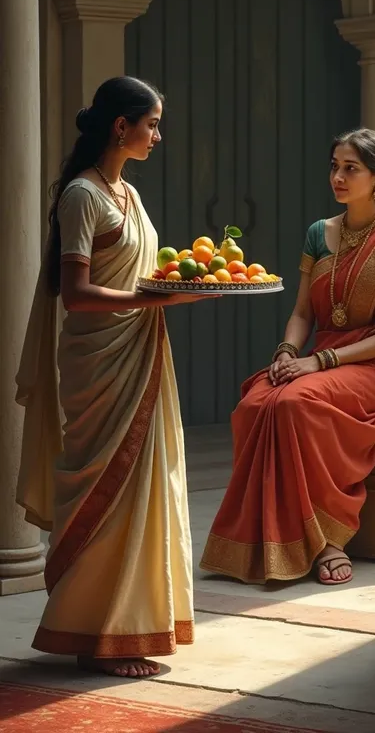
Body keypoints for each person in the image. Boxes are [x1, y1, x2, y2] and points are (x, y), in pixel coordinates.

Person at [16, 76, 220, 677]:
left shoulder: (126, 192)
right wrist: (158, 302)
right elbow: (76, 295)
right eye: (151, 124)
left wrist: (183, 283)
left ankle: (132, 626)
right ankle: (90, 631)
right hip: (98, 361)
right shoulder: (84, 196)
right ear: (120, 127)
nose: (158, 135)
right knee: (104, 488)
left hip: (140, 352)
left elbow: (140, 270)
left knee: (146, 485)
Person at [200, 128, 375, 586]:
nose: (338, 176)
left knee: (296, 403)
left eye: (350, 168)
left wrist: (320, 363)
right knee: (256, 402)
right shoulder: (320, 233)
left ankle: (327, 539)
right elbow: (301, 312)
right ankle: (262, 541)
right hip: (318, 358)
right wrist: (287, 351)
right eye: (334, 166)